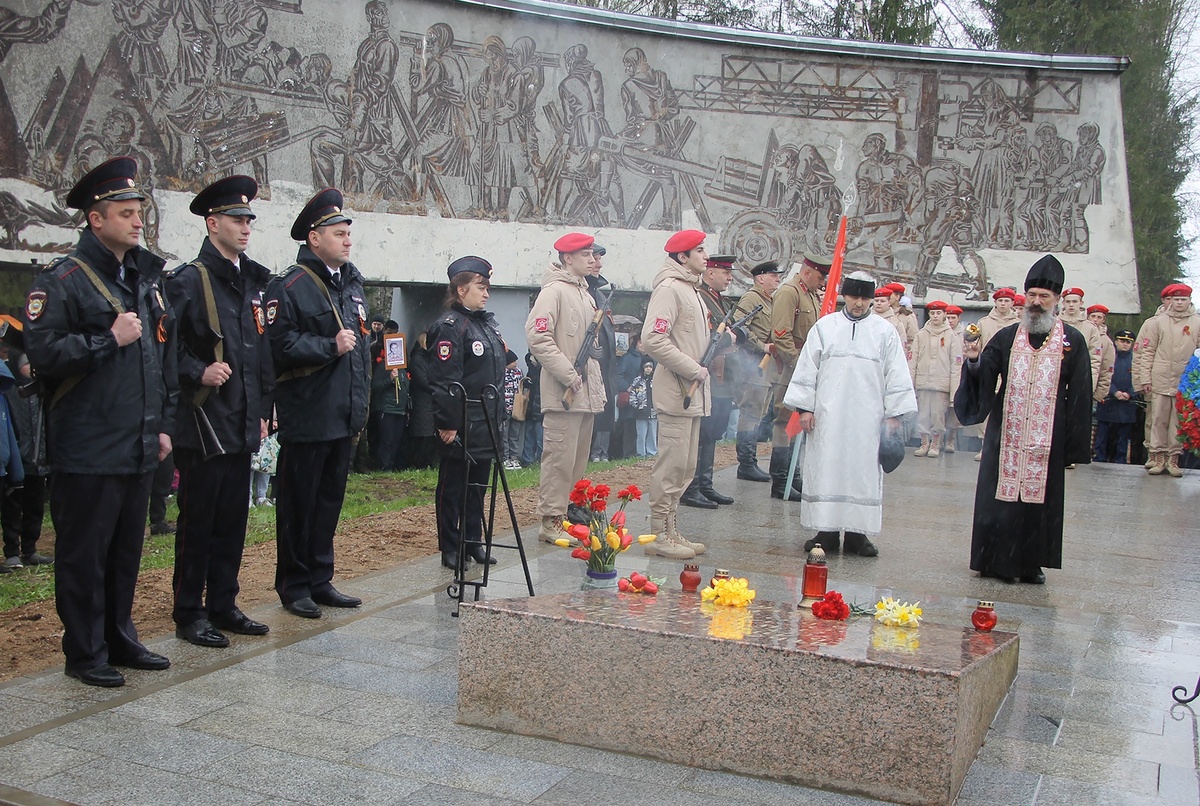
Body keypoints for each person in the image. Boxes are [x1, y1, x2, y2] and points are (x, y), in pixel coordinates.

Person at [24, 157, 176, 687]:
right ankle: (85, 652)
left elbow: (152, 361)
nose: (138, 222)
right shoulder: (62, 280)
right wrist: (107, 338)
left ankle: (120, 637)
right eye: (127, 213)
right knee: (84, 556)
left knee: (124, 552)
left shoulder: (140, 277)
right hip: (87, 446)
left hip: (135, 442)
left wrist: (158, 426)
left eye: (140, 213)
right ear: (96, 219)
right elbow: (41, 353)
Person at [165, 175, 275, 648]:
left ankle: (224, 604)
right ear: (212, 224)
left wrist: (265, 410)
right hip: (204, 422)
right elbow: (166, 344)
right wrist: (197, 371)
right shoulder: (190, 279)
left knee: (232, 521)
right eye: (236, 219)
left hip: (242, 419)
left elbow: (259, 352)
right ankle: (189, 612)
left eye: (249, 218)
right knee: (198, 524)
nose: (245, 226)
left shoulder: (253, 280)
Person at [954, 255, 1093, 585]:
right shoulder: (1006, 337)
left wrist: (1073, 444)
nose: (1036, 302)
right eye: (1031, 295)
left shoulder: (1072, 341)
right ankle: (991, 560)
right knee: (998, 497)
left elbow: (1082, 392)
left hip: (1048, 437)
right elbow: (985, 375)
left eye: (1044, 296)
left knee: (1037, 500)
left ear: (1056, 300)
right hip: (1006, 434)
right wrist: (973, 362)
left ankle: (1030, 564)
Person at [266, 188, 370, 618]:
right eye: (339, 233)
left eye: (348, 233)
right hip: (308, 413)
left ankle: (319, 578)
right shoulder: (289, 285)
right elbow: (277, 344)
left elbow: (361, 349)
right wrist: (329, 346)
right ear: (314, 238)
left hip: (342, 414)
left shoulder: (353, 283)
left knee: (329, 502)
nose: (347, 240)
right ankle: (293, 585)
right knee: (299, 504)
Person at [784, 272, 915, 558]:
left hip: (868, 418)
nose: (859, 303)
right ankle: (826, 532)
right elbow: (808, 368)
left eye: (865, 298)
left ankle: (858, 535)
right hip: (827, 415)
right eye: (854, 297)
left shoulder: (885, 332)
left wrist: (894, 414)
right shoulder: (825, 327)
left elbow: (897, 373)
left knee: (862, 472)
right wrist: (805, 408)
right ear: (845, 295)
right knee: (827, 468)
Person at [642, 229, 723, 559]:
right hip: (677, 390)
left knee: (686, 466)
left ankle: (672, 528)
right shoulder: (671, 289)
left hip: (692, 394)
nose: (705, 256)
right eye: (699, 251)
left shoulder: (692, 290)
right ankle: (658, 532)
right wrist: (692, 368)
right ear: (681, 257)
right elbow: (653, 340)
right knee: (671, 464)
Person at [526, 233, 607, 544]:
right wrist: (567, 373)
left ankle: (566, 513)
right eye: (585, 254)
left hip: (584, 394)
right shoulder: (555, 291)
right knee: (558, 459)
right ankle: (550, 520)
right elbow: (538, 338)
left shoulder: (585, 293)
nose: (592, 259)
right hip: (564, 394)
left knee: (576, 461)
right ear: (568, 258)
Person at [427, 257, 505, 569]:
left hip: (485, 422)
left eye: (487, 288)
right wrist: (448, 423)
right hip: (461, 424)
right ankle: (449, 546)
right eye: (480, 287)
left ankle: (473, 541)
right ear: (461, 289)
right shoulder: (450, 328)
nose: (486, 294)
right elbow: (446, 380)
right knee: (453, 488)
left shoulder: (484, 325)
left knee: (477, 487)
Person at [767, 254, 829, 500]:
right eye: (820, 275)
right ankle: (780, 481)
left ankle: (794, 475)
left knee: (797, 421)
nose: (822, 281)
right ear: (807, 272)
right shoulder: (789, 293)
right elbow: (780, 334)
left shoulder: (809, 294)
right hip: (789, 367)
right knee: (784, 421)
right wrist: (797, 363)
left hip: (803, 366)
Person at [681, 254, 739, 509]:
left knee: (714, 431)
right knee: (703, 432)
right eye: (725, 272)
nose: (729, 277)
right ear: (711, 273)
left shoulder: (721, 302)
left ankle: (705, 484)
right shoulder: (701, 298)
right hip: (709, 370)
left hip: (723, 373)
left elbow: (734, 331)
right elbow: (710, 336)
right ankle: (691, 488)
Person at [1134, 283, 1200, 477]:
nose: (1179, 303)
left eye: (1183, 299)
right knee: (1158, 419)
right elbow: (1147, 352)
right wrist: (1145, 378)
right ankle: (1157, 456)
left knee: (1178, 421)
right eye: (1176, 299)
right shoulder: (1158, 322)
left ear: (1189, 300)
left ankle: (1173, 459)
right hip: (1160, 377)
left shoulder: (1196, 322)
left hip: (1184, 379)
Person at [732, 260, 780, 482]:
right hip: (752, 365)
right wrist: (762, 346)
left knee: (758, 414)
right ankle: (746, 464)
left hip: (765, 368)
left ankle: (750, 461)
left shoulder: (770, 301)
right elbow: (739, 327)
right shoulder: (752, 298)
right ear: (760, 278)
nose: (777, 279)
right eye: (773, 275)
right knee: (750, 413)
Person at [2, 351, 50, 569]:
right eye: (27, 363)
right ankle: (12, 550)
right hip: (17, 459)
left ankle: (30, 549)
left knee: (35, 506)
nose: (31, 367)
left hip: (38, 459)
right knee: (12, 508)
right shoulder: (9, 389)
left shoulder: (44, 388)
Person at [911, 300, 962, 458]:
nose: (935, 316)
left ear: (944, 314)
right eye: (932, 313)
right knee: (923, 414)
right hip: (923, 382)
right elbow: (913, 361)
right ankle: (924, 442)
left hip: (941, 383)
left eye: (938, 313)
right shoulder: (921, 335)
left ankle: (935, 443)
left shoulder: (951, 336)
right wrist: (911, 385)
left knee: (938, 415)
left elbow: (956, 365)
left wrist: (955, 391)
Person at [585, 243, 618, 461]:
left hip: (603, 371)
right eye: (592, 258)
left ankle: (599, 454)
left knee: (602, 417)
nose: (598, 264)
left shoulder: (597, 294)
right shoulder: (576, 292)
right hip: (583, 373)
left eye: (598, 258)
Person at [1094, 329, 1137, 463]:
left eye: (1128, 342)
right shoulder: (1110, 356)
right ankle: (1099, 457)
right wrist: (1114, 391)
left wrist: (1130, 393)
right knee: (1102, 434)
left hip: (1127, 404)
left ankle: (1120, 460)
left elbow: (1138, 378)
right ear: (1116, 341)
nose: (1125, 344)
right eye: (1122, 341)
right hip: (1109, 401)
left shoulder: (1135, 360)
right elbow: (1104, 375)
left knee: (1123, 437)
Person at [369, 335, 410, 472]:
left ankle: (391, 464)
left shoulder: (402, 369)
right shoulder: (382, 367)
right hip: (386, 409)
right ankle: (384, 466)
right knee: (386, 440)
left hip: (400, 410)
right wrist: (390, 379)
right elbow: (375, 385)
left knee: (395, 440)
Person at [406, 333, 438, 469]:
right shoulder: (418, 360)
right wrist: (437, 387)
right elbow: (422, 381)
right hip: (421, 401)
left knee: (429, 435)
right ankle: (419, 463)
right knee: (422, 435)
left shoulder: (427, 359)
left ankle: (427, 462)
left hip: (429, 401)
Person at [628, 357, 656, 455]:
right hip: (640, 412)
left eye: (650, 367)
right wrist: (637, 406)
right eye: (646, 366)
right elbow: (632, 395)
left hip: (653, 412)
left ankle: (652, 453)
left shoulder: (656, 381)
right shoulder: (637, 381)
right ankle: (641, 453)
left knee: (652, 434)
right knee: (641, 435)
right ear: (642, 368)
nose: (648, 369)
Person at [520, 352, 544, 465]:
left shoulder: (540, 371)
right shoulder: (533, 371)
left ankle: (537, 459)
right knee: (531, 436)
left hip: (538, 407)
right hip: (533, 407)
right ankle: (530, 459)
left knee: (538, 437)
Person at [501, 350, 523, 469]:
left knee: (514, 434)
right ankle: (505, 458)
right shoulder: (500, 373)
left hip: (517, 409)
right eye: (512, 362)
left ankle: (514, 458)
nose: (515, 364)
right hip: (505, 408)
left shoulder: (518, 372)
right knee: (504, 435)